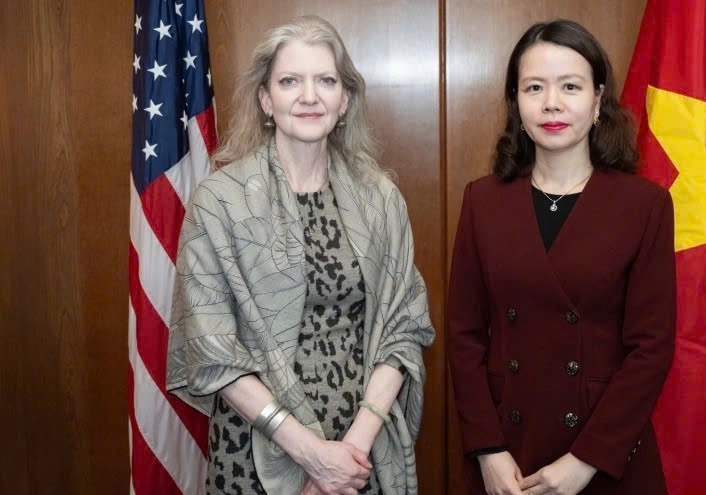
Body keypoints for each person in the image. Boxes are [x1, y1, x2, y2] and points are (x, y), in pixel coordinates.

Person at [166, 15, 434, 495]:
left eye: (325, 81)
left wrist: (350, 452)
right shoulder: (219, 201)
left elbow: (405, 329)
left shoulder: (380, 199)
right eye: (290, 81)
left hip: (362, 458)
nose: (309, 96)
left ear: (345, 99)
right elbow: (211, 348)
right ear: (266, 100)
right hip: (256, 453)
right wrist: (311, 455)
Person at [446, 19, 676, 495]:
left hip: (604, 455)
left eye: (570, 86)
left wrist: (586, 460)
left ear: (597, 100)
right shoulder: (483, 200)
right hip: (506, 455)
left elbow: (650, 349)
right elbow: (464, 336)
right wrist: (487, 449)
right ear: (517, 104)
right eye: (535, 87)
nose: (551, 102)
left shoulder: (644, 205)